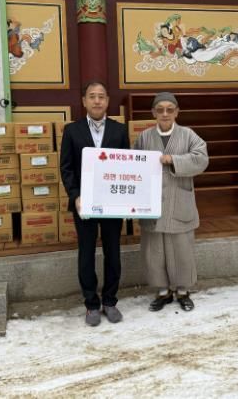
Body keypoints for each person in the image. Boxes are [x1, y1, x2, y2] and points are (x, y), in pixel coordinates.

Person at [60, 81, 130, 326]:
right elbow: (66, 168)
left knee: (113, 253)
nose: (97, 100)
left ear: (108, 101)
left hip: (112, 203)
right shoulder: (72, 130)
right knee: (86, 253)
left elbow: (126, 167)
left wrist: (127, 201)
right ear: (84, 101)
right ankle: (91, 304)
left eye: (101, 96)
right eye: (92, 96)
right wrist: (75, 196)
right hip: (84, 204)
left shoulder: (120, 130)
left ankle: (110, 301)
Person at [134, 92, 209, 312]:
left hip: (179, 199)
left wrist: (174, 160)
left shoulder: (188, 135)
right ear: (153, 113)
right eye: (160, 109)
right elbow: (133, 165)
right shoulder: (144, 137)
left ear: (177, 112)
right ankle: (162, 292)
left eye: (169, 109)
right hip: (153, 202)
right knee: (154, 251)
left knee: (182, 249)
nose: (165, 113)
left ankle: (183, 291)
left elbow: (202, 159)